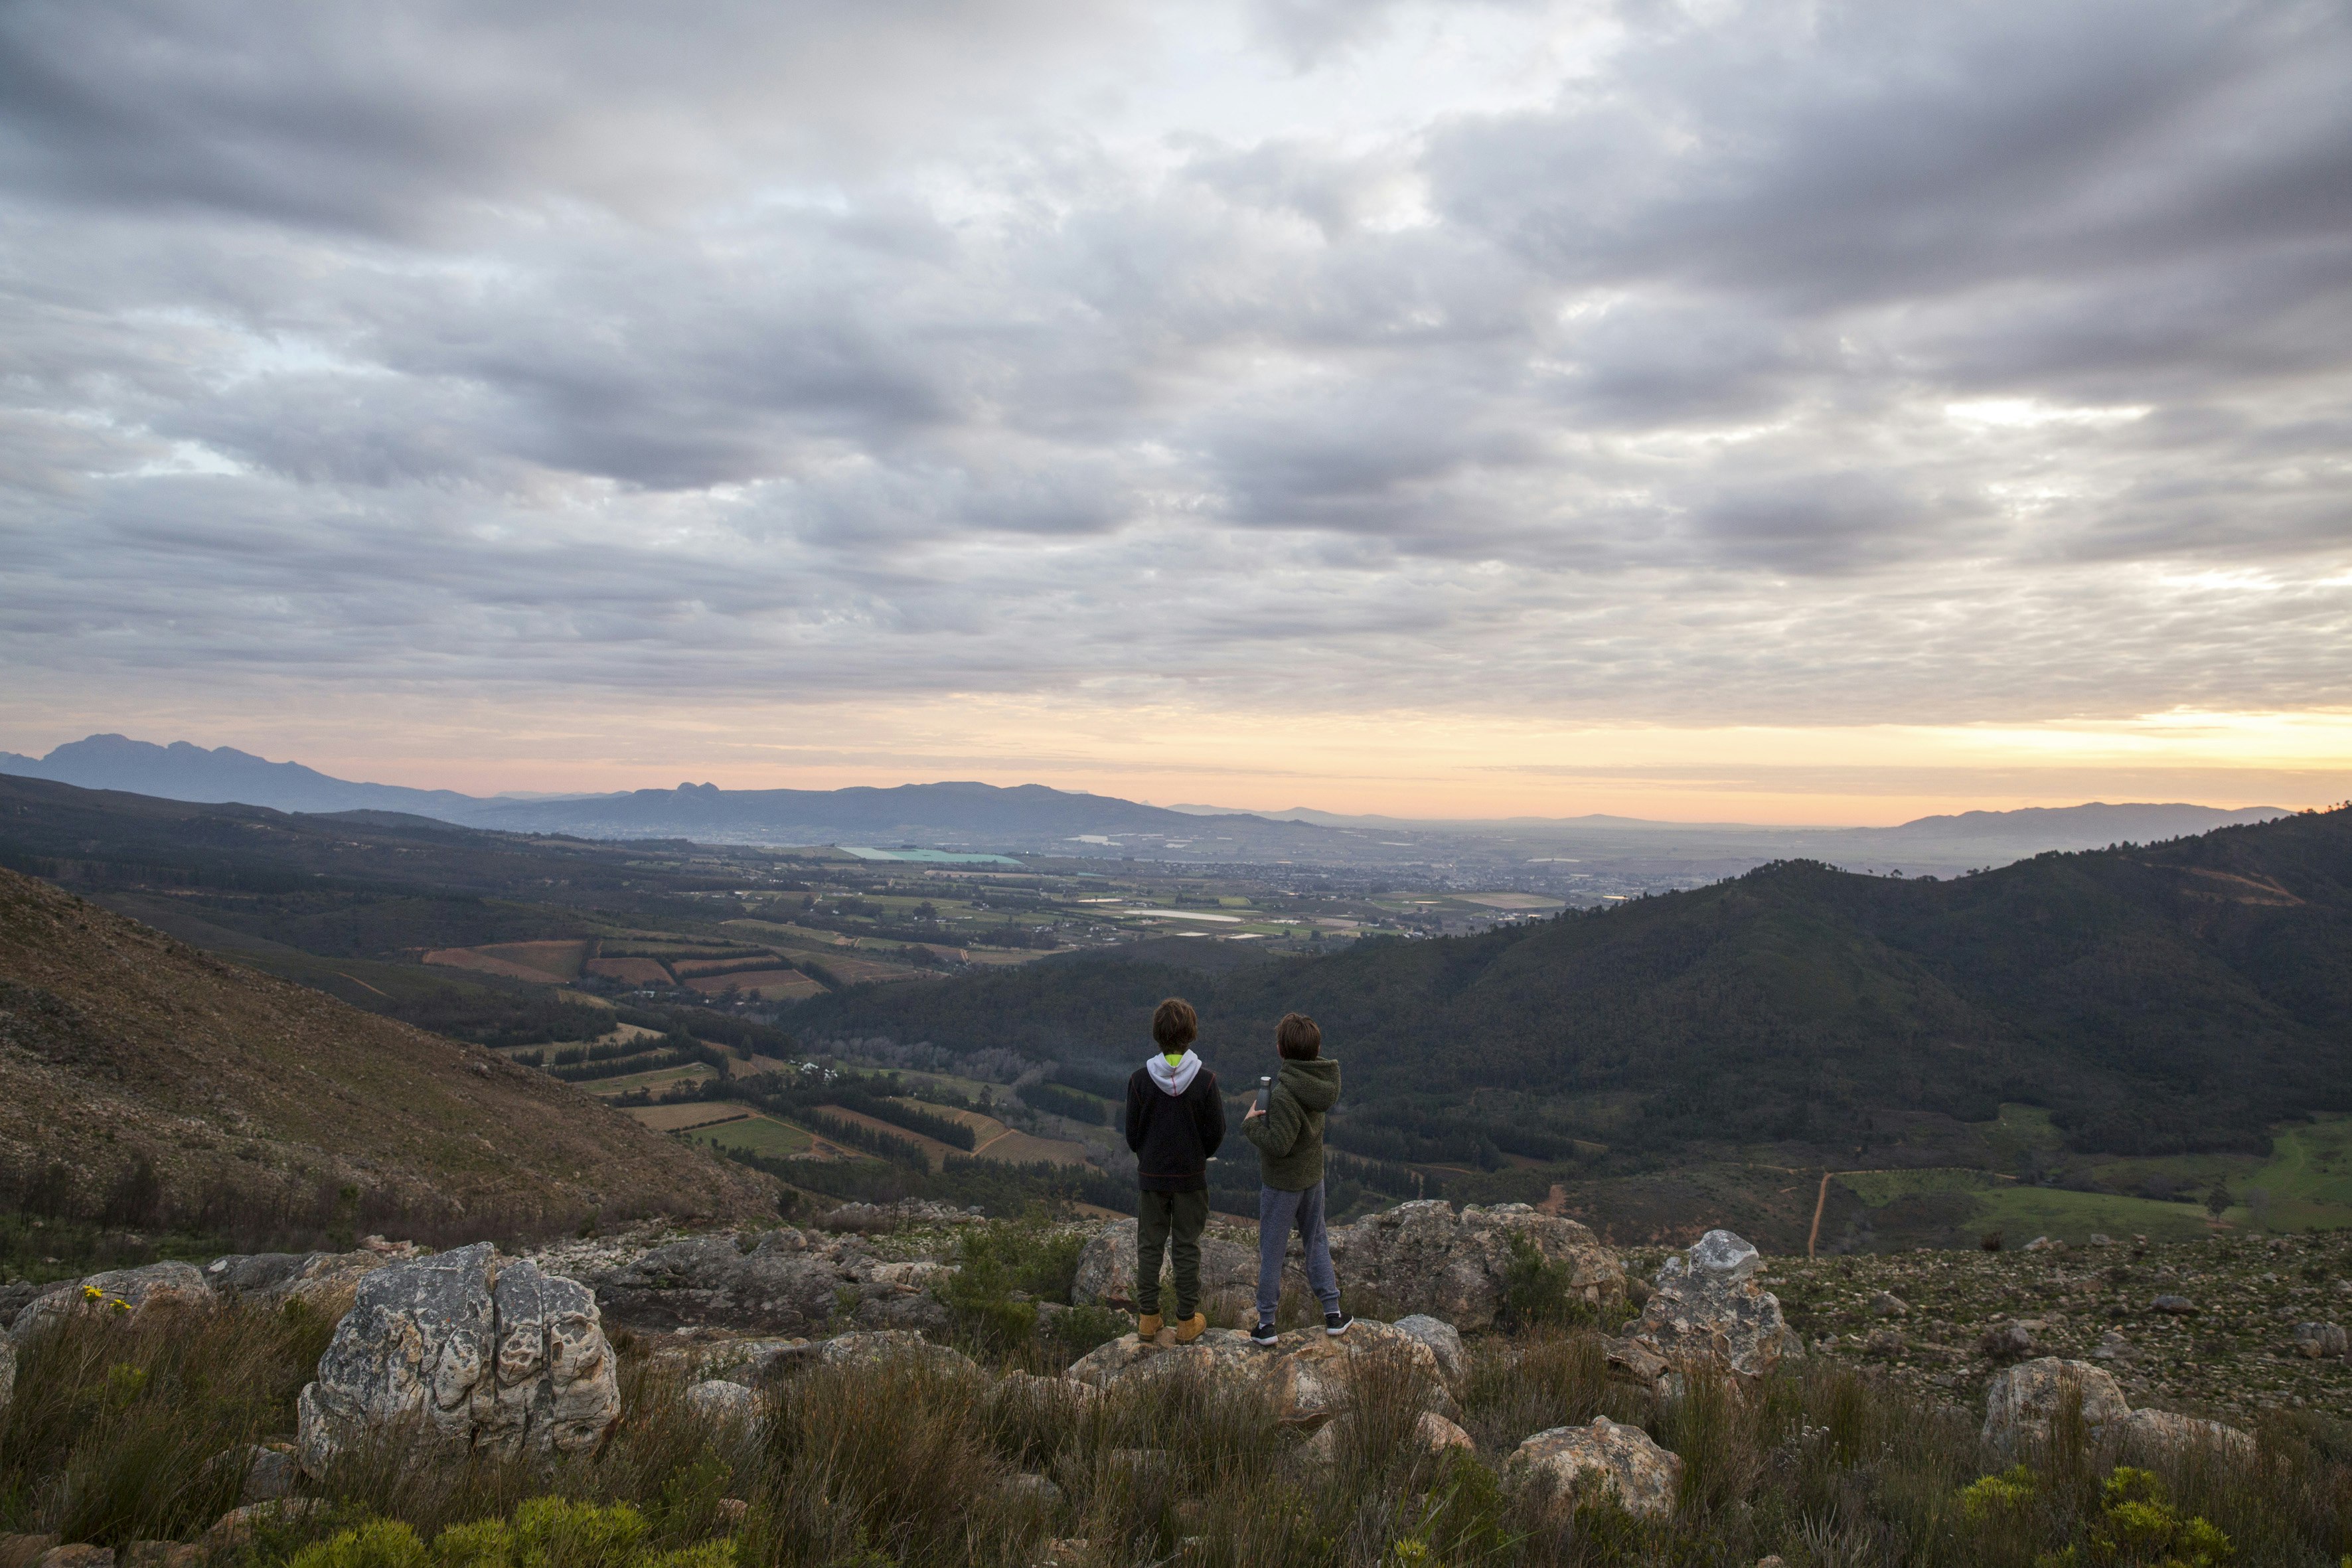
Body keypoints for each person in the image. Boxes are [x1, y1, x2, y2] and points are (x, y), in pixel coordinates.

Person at [1241, 1011, 1350, 1345]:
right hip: (1313, 1180)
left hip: (1282, 1185)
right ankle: (1333, 1314)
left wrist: (1251, 1124)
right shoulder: (1320, 1086)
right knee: (1316, 1241)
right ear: (1316, 1050)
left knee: (1272, 1250)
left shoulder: (1285, 1094)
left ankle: (1266, 1324)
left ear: (1280, 1051)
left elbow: (1279, 1145)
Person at [1123, 995, 1226, 1343]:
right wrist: (1197, 1155)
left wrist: (1149, 1156)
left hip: (1151, 1176)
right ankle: (1186, 1321)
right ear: (1191, 1034)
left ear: (1157, 1034)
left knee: (1149, 1246)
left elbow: (1132, 1135)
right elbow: (1216, 1133)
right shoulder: (1206, 1081)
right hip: (1190, 1179)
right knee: (1186, 1246)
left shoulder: (1139, 1080)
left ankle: (1148, 1318)